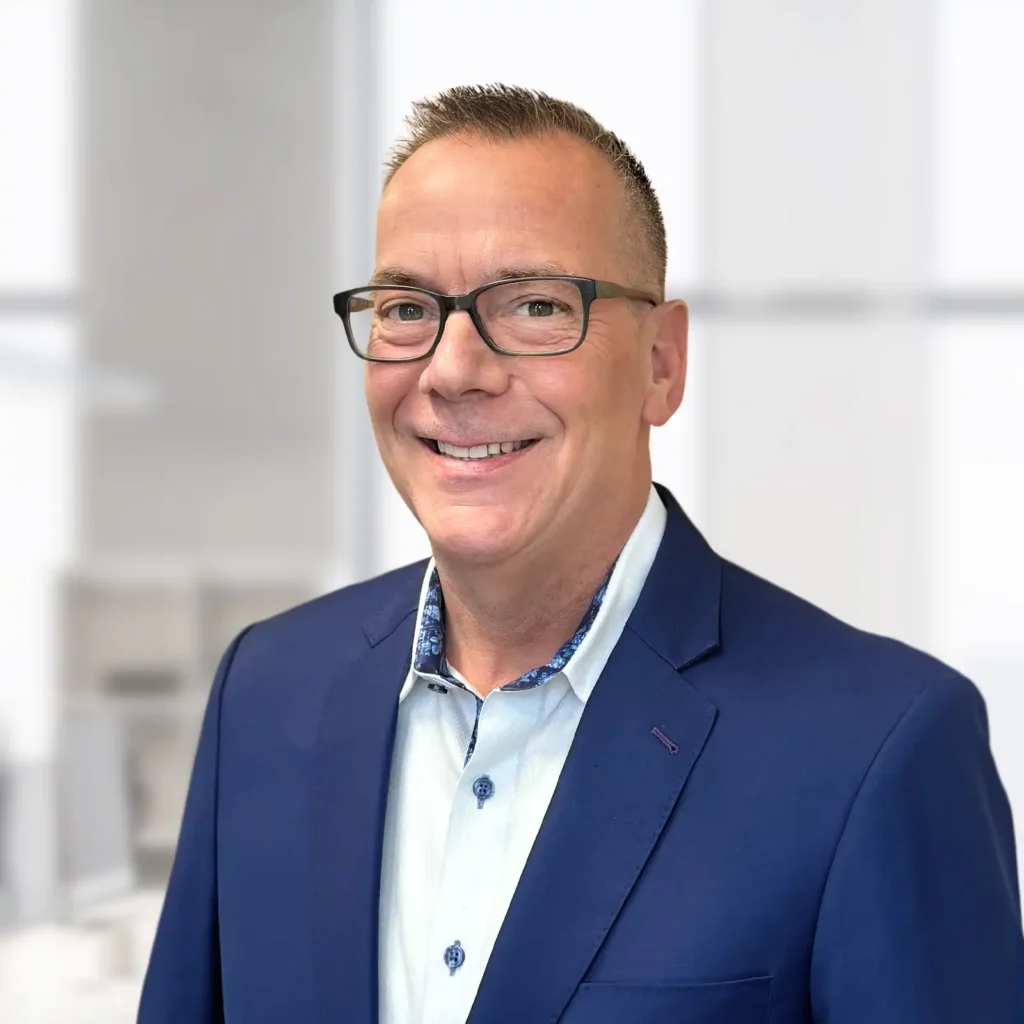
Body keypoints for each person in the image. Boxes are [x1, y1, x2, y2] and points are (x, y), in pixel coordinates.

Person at [138, 84, 1024, 1024]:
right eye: (405, 307)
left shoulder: (878, 748)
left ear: (660, 364)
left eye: (531, 305)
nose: (451, 370)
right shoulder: (267, 693)